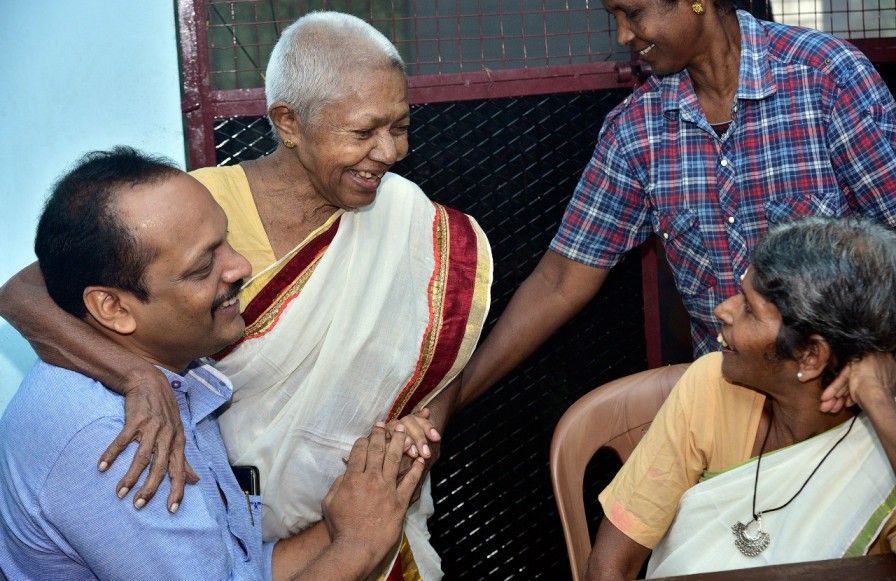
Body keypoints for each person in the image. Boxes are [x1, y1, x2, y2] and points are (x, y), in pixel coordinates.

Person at [0, 12, 491, 580]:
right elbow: (32, 289)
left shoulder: (418, 230)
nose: (389, 151)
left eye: (401, 127)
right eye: (361, 133)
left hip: (294, 541)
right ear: (289, 122)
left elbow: (439, 362)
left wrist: (400, 457)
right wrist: (133, 375)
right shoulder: (133, 428)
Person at [0, 147, 425, 580]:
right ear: (112, 307)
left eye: (227, 239)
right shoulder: (117, 439)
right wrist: (359, 547)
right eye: (204, 267)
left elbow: (239, 570)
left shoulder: (166, 380)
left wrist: (375, 499)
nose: (241, 266)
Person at [453, 0, 896, 409]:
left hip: (844, 403)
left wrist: (876, 367)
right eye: (615, 18)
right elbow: (560, 280)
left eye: (634, 13)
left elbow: (890, 241)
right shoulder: (638, 130)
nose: (624, 35)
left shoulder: (826, 78)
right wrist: (451, 399)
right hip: (728, 406)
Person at [587, 216, 896, 579]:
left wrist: (877, 400)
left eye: (749, 308)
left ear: (810, 357)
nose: (724, 311)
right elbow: (609, 565)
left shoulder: (882, 445)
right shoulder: (710, 386)